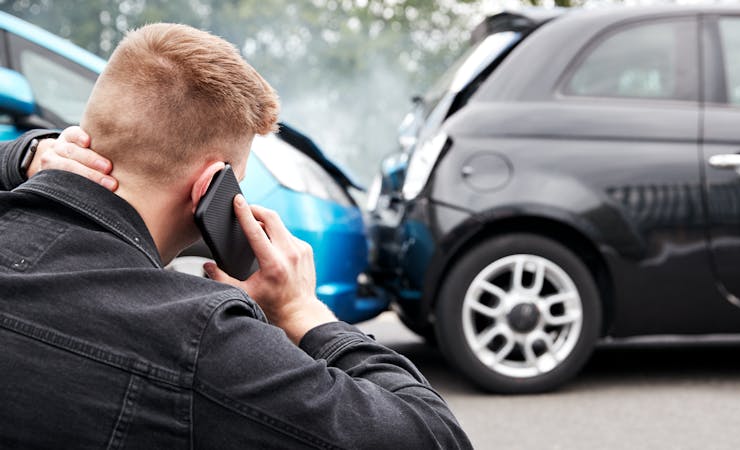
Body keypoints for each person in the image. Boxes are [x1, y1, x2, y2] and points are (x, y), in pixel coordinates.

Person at [0, 23, 471, 449]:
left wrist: (21, 158)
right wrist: (300, 311)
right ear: (212, 189)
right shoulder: (198, 336)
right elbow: (432, 438)